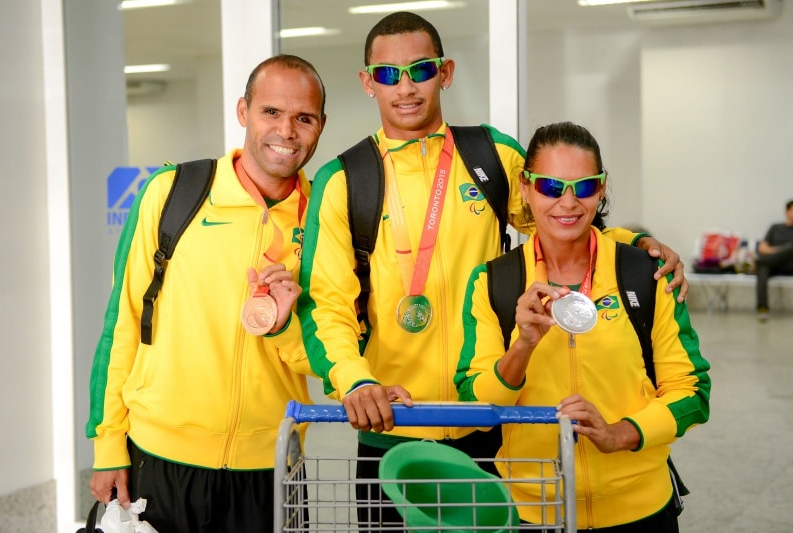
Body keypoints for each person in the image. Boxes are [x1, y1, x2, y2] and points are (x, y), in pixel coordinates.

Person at [297, 11, 689, 528]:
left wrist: (634, 245)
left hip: (490, 422)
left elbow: (564, 215)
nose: (407, 86)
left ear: (447, 72)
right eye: (389, 74)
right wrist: (354, 382)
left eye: (422, 69)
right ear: (369, 82)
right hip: (393, 426)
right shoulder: (346, 178)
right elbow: (325, 302)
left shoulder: (491, 155)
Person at [86, 54, 326, 532]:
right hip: (158, 457)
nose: (287, 131)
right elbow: (123, 323)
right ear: (243, 112)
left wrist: (285, 326)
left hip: (270, 468)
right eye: (271, 112)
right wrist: (108, 444)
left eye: (304, 118)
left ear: (321, 125)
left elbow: (326, 357)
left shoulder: (323, 218)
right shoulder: (172, 192)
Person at [455, 121, 711, 531]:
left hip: (640, 510)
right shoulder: (493, 283)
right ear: (525, 187)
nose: (569, 202)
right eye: (551, 187)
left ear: (603, 187)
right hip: (532, 511)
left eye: (585, 187)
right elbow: (479, 408)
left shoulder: (645, 273)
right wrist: (522, 346)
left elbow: (693, 392)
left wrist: (621, 434)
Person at [755, 199, 793, 322]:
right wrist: (779, 251)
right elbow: (762, 248)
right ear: (787, 212)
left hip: (791, 264)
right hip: (773, 264)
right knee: (762, 268)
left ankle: (757, 262)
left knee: (791, 247)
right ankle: (762, 308)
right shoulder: (775, 228)